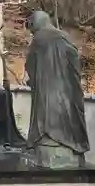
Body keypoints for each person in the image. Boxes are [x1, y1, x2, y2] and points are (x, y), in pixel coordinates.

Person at [25, 10, 90, 167]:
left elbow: (30, 66)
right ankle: (72, 146)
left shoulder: (39, 39)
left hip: (46, 90)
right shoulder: (64, 36)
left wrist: (35, 79)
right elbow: (75, 64)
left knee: (47, 116)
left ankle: (50, 143)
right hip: (68, 89)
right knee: (70, 114)